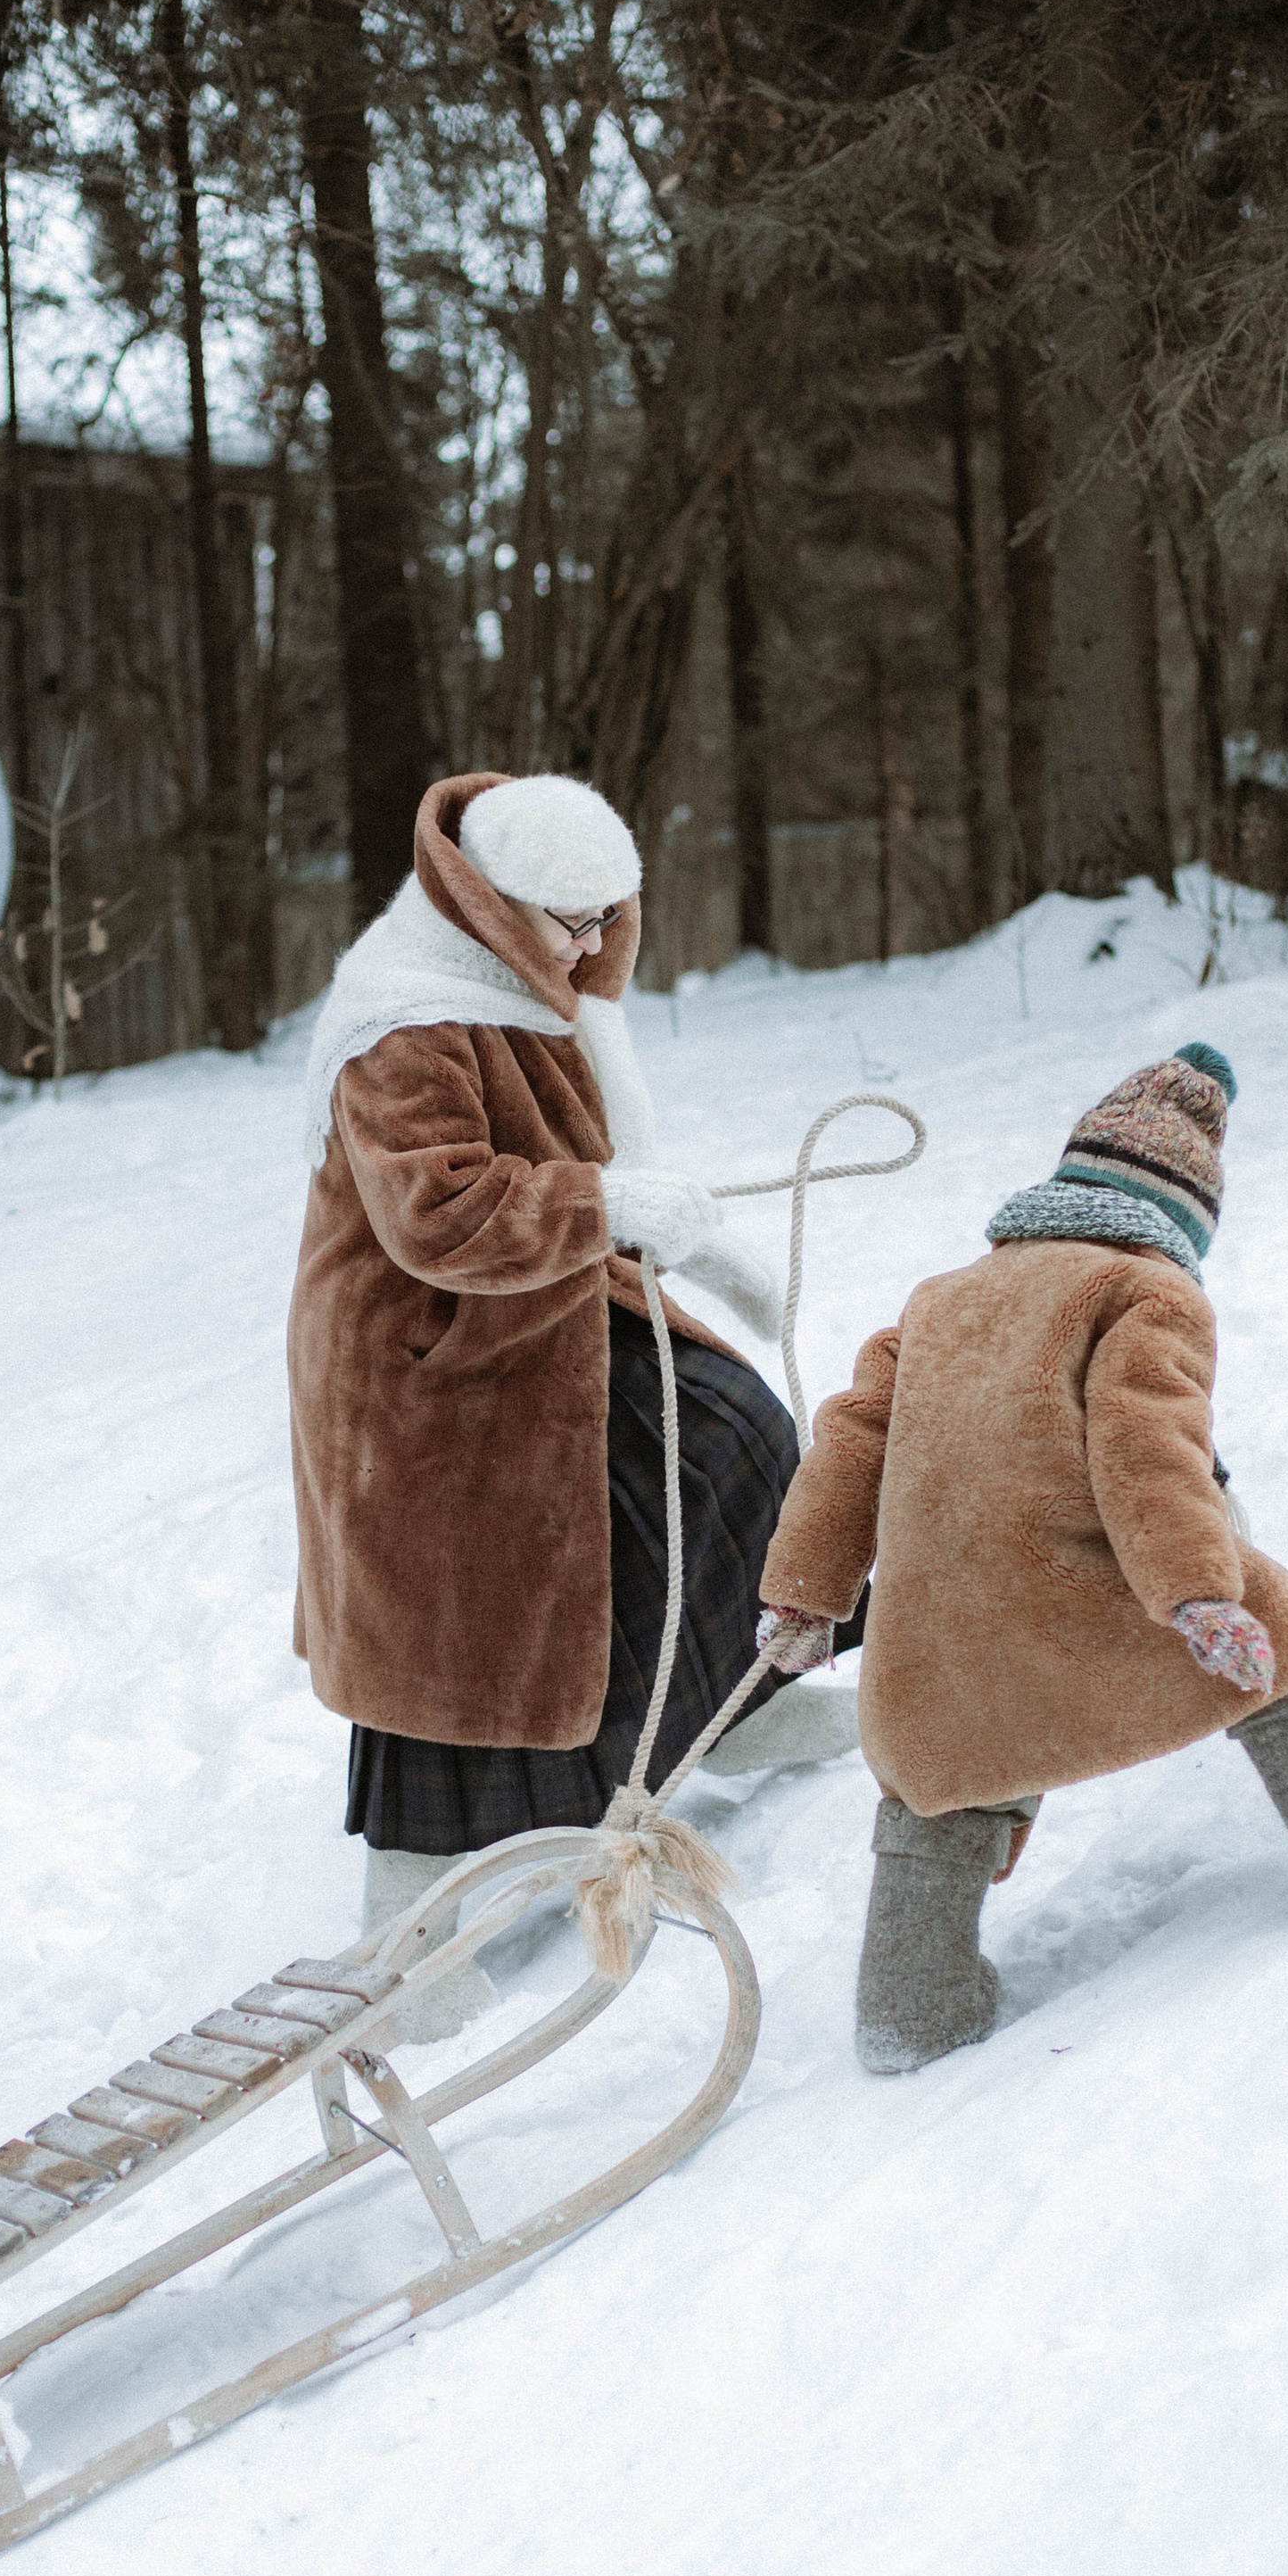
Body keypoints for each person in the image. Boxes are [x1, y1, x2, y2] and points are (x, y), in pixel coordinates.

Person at [755, 1041, 1288, 2074]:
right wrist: (1197, 1593)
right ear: (1183, 1219)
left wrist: (805, 1596)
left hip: (933, 1631)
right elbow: (1145, 1448)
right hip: (1080, 1595)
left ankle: (909, 2010)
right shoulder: (1146, 1291)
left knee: (941, 1776)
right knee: (1284, 1638)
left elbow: (848, 1449)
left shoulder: (933, 1303)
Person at [289, 770, 860, 2017]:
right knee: (466, 1622)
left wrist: (693, 1242)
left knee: (732, 1443)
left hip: (552, 1306)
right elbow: (438, 1213)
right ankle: (405, 1938)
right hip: (427, 1366)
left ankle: (739, 1705)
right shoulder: (405, 1027)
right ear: (492, 904)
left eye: (610, 918)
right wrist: (609, 1206)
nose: (591, 946)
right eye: (569, 922)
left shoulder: (536, 984)